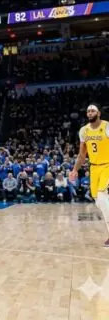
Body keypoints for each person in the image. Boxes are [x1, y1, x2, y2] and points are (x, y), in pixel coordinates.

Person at [69, 104, 109, 246]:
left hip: (107, 166)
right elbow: (82, 155)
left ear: (99, 112)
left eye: (93, 110)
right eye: (88, 111)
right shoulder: (83, 131)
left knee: (103, 197)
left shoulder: (107, 127)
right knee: (98, 201)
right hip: (94, 168)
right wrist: (74, 170)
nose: (90, 112)